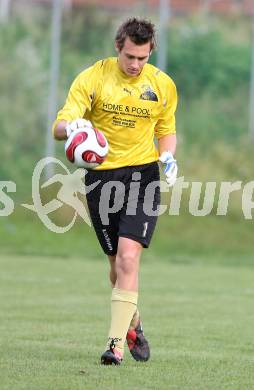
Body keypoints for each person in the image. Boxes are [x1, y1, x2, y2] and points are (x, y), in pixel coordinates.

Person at [53, 17, 178, 366]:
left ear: (150, 51)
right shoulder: (93, 77)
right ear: (118, 48)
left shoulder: (162, 85)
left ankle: (115, 344)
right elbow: (59, 127)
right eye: (130, 57)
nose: (136, 65)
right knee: (114, 265)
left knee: (128, 258)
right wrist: (73, 126)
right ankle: (133, 322)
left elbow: (167, 130)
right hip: (101, 180)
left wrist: (167, 155)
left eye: (143, 58)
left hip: (143, 175)